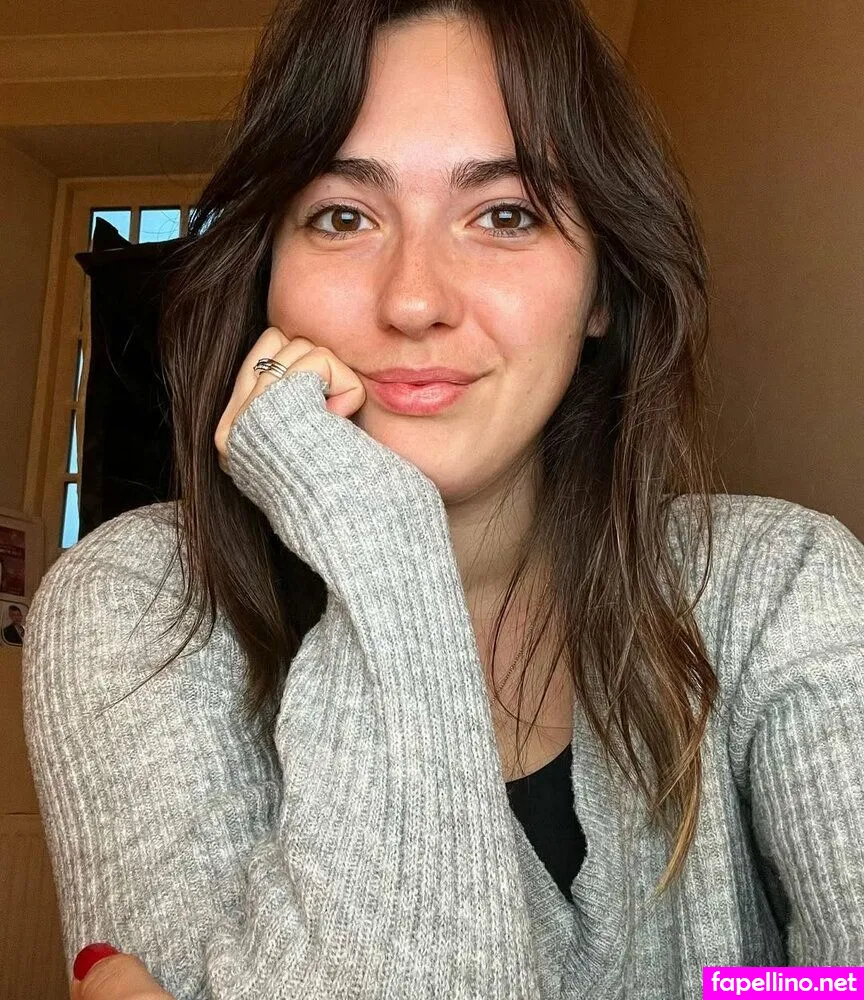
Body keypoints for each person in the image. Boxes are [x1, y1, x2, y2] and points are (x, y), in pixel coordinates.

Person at [22, 1, 864, 998]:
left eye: (505, 214)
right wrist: (379, 549)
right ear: (265, 275)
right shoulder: (141, 605)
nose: (414, 299)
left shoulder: (781, 588)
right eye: (343, 216)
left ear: (601, 290)